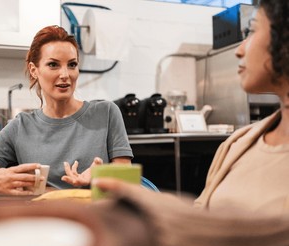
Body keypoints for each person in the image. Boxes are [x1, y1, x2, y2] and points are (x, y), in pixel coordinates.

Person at [96, 0, 289, 217]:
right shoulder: (239, 143)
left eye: (251, 31)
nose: (240, 49)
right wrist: (138, 197)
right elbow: (203, 215)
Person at [0, 25, 133, 195]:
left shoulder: (106, 112)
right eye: (53, 65)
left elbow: (128, 182)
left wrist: (101, 175)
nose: (65, 74)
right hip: (43, 219)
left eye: (72, 64)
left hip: (97, 219)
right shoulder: (20, 126)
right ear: (34, 70)